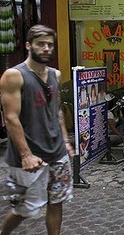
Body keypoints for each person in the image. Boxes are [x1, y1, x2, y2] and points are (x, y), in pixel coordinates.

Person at [0, 24, 74, 235]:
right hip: (29, 159)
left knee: (56, 201)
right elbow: (11, 117)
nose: (46, 48)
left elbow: (56, 110)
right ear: (28, 46)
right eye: (40, 44)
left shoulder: (55, 75)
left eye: (50, 44)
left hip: (56, 154)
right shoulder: (14, 76)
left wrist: (65, 141)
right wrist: (26, 155)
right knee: (24, 209)